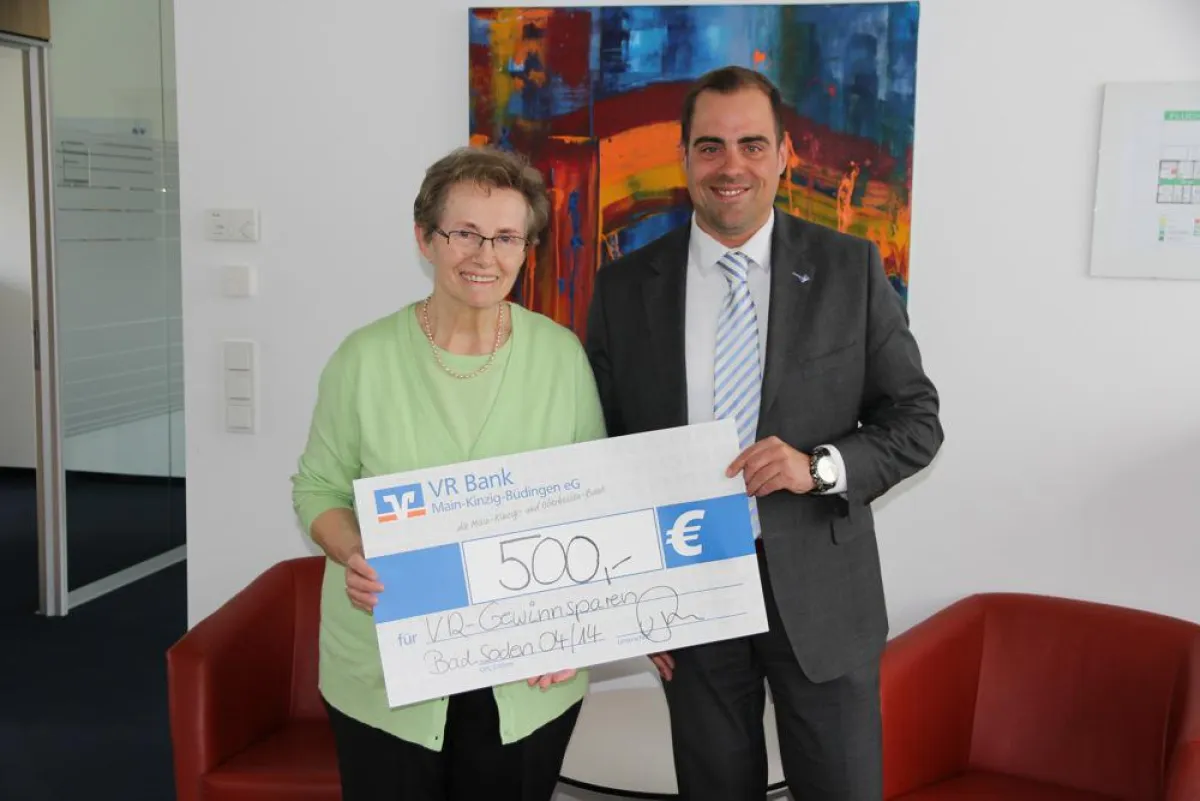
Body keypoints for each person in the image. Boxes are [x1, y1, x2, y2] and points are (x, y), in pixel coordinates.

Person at [585, 66, 943, 800]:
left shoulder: (849, 269)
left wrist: (820, 468)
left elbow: (916, 420)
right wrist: (630, 598)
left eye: (752, 144)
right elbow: (607, 451)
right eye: (710, 146)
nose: (732, 166)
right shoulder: (624, 286)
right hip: (688, 595)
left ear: (785, 155)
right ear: (683, 157)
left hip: (823, 597)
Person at [290, 145, 606, 801]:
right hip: (386, 670)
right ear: (425, 238)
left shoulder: (561, 357)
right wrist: (355, 552)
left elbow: (594, 507)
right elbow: (317, 488)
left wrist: (574, 629)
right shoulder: (362, 359)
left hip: (525, 676)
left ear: (526, 249)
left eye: (506, 237)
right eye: (464, 232)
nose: (484, 255)